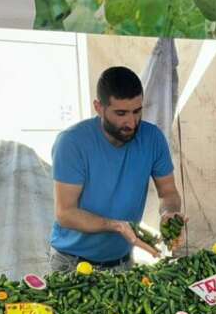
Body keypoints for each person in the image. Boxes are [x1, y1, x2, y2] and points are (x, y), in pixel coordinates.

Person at [49, 66, 184, 272]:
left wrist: (170, 212)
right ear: (99, 107)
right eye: (121, 113)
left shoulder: (153, 138)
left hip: (121, 262)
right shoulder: (72, 143)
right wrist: (115, 225)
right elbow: (65, 213)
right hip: (72, 263)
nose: (131, 122)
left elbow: (168, 192)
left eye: (137, 111)